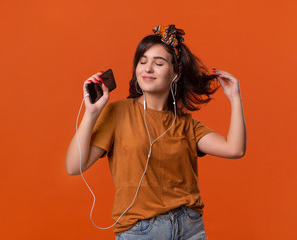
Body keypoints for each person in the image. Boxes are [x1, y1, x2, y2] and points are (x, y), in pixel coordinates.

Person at [66, 24, 246, 240]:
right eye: (142, 62)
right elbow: (73, 167)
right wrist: (92, 113)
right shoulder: (118, 113)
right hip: (140, 231)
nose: (147, 69)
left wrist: (235, 98)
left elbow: (235, 149)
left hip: (189, 227)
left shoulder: (185, 124)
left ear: (176, 74)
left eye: (158, 63)